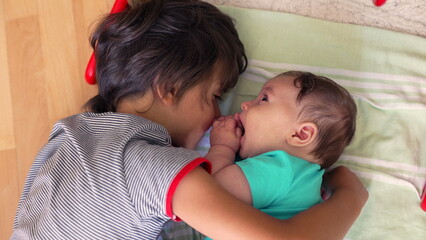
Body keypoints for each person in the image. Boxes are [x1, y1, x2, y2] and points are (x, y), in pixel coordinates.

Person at [12, 1, 368, 240]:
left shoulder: (69, 135)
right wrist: (350, 194)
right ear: (170, 87)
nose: (221, 112)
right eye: (214, 97)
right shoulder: (151, 169)